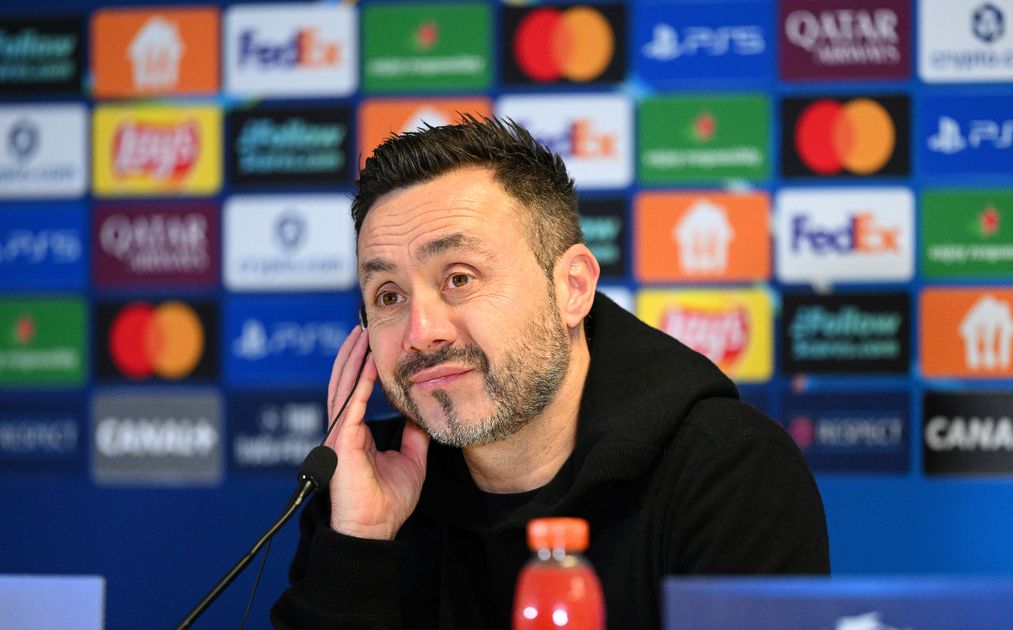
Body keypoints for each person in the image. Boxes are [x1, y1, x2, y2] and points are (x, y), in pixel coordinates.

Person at [270, 116, 829, 629]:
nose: (421, 331)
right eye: (388, 295)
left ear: (572, 288)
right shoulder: (361, 487)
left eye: (459, 278)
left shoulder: (728, 472)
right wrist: (360, 544)